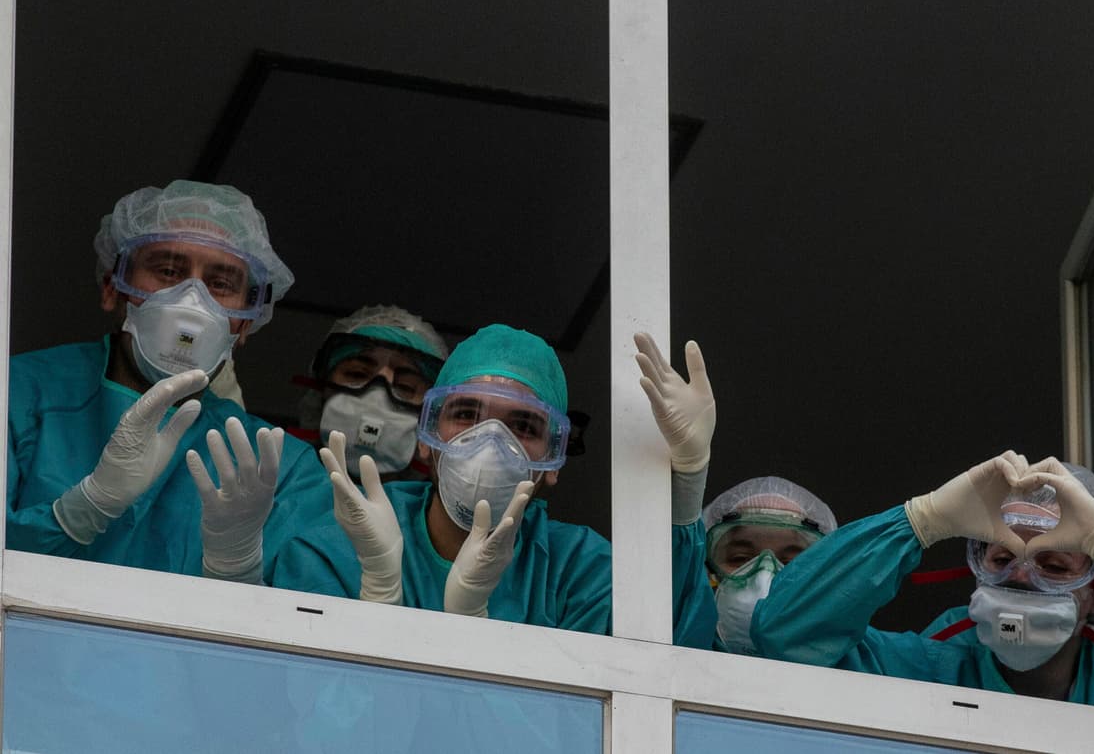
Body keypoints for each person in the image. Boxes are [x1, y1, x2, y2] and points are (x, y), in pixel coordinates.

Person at [272, 325, 717, 647]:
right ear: (426, 440)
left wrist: (688, 480)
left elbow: (662, 660)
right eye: (465, 415)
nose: (488, 443)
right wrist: (379, 596)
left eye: (522, 426)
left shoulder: (581, 573)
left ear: (551, 463)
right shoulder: (340, 547)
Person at [750, 454, 1094, 726]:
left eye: (1054, 565)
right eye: (1002, 557)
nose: (1020, 576)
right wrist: (922, 519)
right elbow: (785, 633)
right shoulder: (921, 672)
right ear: (976, 569)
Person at [7, 179, 331, 583]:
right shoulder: (17, 393)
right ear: (113, 288)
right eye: (167, 270)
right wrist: (82, 510)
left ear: (245, 324)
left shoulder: (282, 468)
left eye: (221, 283)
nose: (190, 298)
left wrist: (236, 571)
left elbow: (305, 632)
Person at [291, 305, 449, 483]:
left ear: (430, 419)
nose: (377, 398)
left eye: (405, 387)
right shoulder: (276, 486)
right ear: (320, 390)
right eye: (356, 374)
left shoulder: (434, 510)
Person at [702, 476, 835, 653]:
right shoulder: (665, 639)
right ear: (706, 569)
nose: (763, 579)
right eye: (741, 558)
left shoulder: (875, 661)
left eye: (790, 564)